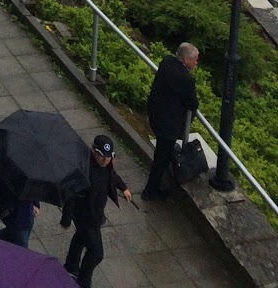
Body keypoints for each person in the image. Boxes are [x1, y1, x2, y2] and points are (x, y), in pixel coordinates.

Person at [60, 134, 130, 287]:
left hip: (96, 214)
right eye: (101, 156)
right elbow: (71, 195)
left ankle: (71, 265)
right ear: (93, 151)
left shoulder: (106, 168)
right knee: (96, 253)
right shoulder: (84, 169)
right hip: (85, 217)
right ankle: (83, 281)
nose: (105, 160)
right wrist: (66, 218)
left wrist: (123, 187)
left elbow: (112, 175)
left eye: (108, 157)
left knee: (80, 238)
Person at [142, 42, 199, 200]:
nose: (196, 63)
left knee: (161, 155)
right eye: (195, 59)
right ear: (186, 59)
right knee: (161, 158)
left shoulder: (166, 62)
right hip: (169, 125)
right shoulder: (186, 80)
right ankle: (151, 191)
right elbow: (193, 104)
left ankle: (153, 188)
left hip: (156, 114)